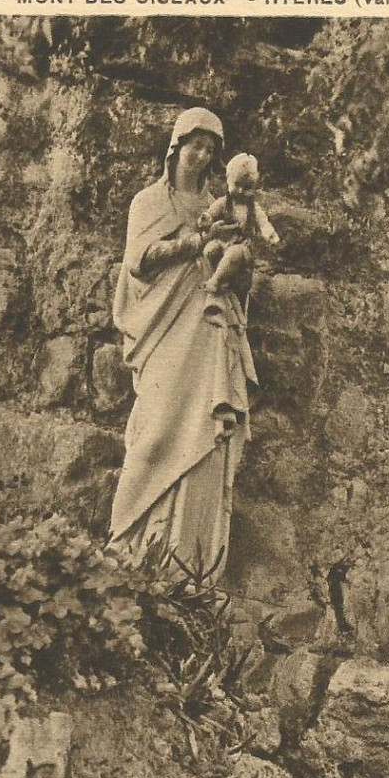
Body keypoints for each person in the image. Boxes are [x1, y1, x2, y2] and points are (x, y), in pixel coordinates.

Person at [109, 107, 258, 585]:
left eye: (211, 150)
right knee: (154, 435)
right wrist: (195, 242)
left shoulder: (220, 205)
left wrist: (242, 264)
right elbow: (139, 262)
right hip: (165, 330)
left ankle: (186, 564)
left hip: (209, 326)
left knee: (204, 437)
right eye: (195, 144)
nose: (202, 155)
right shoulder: (148, 203)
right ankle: (126, 543)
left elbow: (238, 281)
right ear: (175, 146)